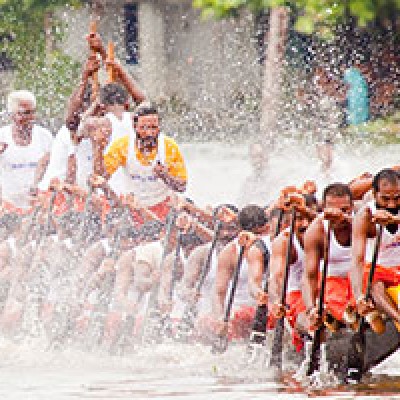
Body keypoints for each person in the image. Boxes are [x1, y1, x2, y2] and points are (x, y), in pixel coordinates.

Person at [100, 105, 187, 221]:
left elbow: (182, 187)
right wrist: (99, 147)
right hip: (132, 206)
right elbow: (102, 176)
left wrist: (165, 176)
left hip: (162, 206)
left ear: (159, 128)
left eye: (153, 127)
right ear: (134, 127)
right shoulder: (122, 145)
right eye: (144, 128)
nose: (149, 133)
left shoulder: (169, 147)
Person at [301, 183, 354, 334]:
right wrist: (311, 308)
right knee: (331, 290)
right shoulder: (316, 231)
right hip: (332, 283)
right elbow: (309, 277)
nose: (338, 216)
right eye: (333, 211)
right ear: (323, 209)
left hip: (359, 279)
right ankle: (346, 318)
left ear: (352, 207)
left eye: (344, 210)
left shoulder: (361, 222)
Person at [350, 168, 400, 327]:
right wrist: (359, 297)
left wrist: (394, 219)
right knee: (373, 283)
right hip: (378, 271)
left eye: (397, 198)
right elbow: (357, 260)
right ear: (374, 193)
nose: (391, 204)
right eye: (385, 199)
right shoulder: (365, 216)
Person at [0, 90, 53, 209]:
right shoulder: (2, 136)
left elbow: (54, 169)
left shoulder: (45, 136)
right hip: (8, 206)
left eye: (33, 112)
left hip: (37, 205)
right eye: (25, 113)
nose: (30, 118)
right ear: (12, 115)